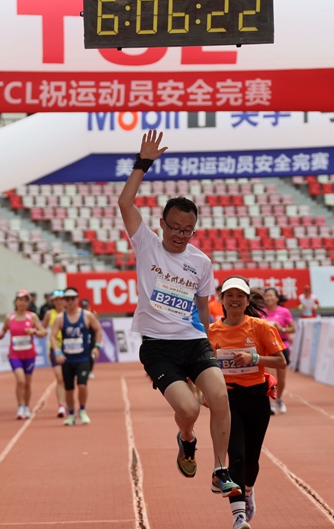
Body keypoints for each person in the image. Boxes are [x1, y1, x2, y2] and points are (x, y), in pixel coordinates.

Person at [118, 129, 239, 497]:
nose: (181, 235)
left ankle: (220, 470)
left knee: (220, 398)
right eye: (175, 228)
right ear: (162, 224)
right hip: (158, 347)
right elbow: (125, 202)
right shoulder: (146, 244)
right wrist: (143, 163)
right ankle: (187, 438)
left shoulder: (201, 262)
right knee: (189, 410)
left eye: (188, 230)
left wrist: (211, 338)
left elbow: (203, 306)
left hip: (194, 341)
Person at [210, 277, 286, 529]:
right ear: (221, 300)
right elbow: (200, 367)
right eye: (229, 295)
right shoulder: (211, 332)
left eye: (240, 296)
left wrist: (254, 358)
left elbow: (281, 361)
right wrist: (202, 392)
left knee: (251, 460)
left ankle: (249, 491)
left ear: (247, 300)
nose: (234, 300)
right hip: (228, 400)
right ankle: (238, 516)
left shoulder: (261, 328)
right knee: (237, 457)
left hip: (256, 399)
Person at [51, 288, 102, 425]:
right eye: (67, 299)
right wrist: (57, 351)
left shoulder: (86, 315)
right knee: (69, 389)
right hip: (67, 359)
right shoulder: (60, 318)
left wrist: (96, 347)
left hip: (83, 358)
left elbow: (98, 330)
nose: (70, 301)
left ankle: (83, 410)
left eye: (73, 298)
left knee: (82, 386)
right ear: (64, 301)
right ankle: (72, 414)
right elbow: (53, 336)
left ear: (77, 299)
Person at [0, 290, 48, 419]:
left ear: (28, 303)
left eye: (25, 301)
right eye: (20, 300)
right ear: (15, 302)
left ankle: (26, 406)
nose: (22, 303)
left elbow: (43, 332)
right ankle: (20, 407)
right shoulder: (10, 317)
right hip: (15, 355)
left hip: (29, 355)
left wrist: (33, 331)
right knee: (20, 380)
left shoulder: (32, 317)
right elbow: (3, 331)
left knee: (27, 383)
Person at [263, 287, 294, 415]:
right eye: (266, 296)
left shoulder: (284, 311)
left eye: (271, 295)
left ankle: (279, 398)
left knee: (281, 379)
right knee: (270, 377)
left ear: (277, 298)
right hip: (266, 348)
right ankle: (271, 403)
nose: (269, 298)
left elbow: (293, 328)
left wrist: (281, 329)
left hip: (282, 346)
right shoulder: (260, 312)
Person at [44, 290, 69, 417]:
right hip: (55, 348)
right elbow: (42, 327)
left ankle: (69, 402)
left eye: (61, 299)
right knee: (59, 377)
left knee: (68, 378)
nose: (58, 302)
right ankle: (61, 406)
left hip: (70, 348)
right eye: (56, 300)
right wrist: (36, 331)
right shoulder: (50, 314)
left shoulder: (70, 312)